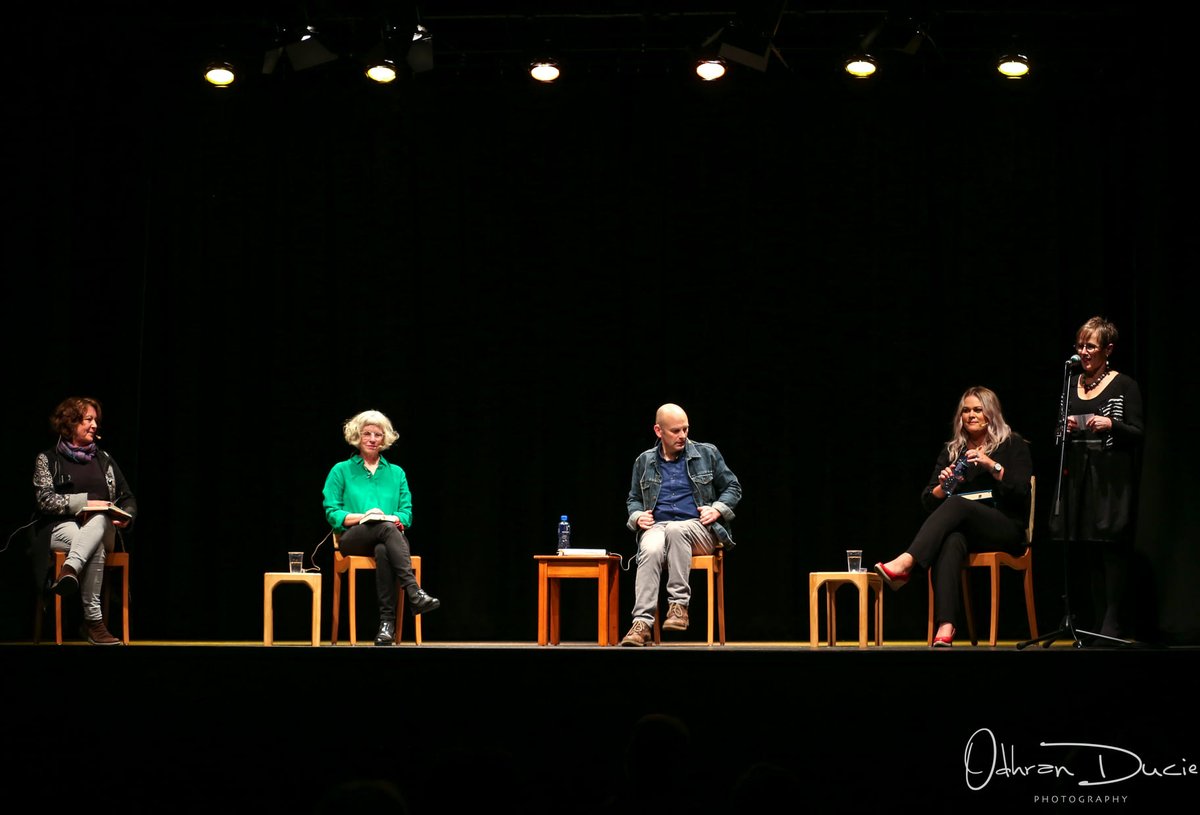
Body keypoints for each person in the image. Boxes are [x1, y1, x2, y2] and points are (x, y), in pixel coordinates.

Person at [874, 386, 1032, 647]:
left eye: (977, 410)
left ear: (990, 414)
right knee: (950, 541)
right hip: (969, 531)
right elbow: (928, 500)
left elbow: (1021, 489)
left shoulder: (1011, 444)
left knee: (958, 505)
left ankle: (907, 562)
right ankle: (946, 626)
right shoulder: (953, 451)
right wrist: (943, 487)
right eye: (966, 410)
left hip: (1005, 527)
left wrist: (990, 465)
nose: (971, 415)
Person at [1051, 315, 1144, 641]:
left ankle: (1113, 620)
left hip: (1110, 479)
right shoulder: (1070, 382)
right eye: (1080, 345)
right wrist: (1066, 429)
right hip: (1078, 475)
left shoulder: (1124, 384)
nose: (1083, 351)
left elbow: (1137, 431)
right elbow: (1057, 432)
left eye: (1090, 346)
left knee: (1110, 549)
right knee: (1088, 548)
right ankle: (1094, 622)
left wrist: (1111, 425)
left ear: (1108, 349)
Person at [620, 403, 742, 647]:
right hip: (658, 528)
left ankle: (678, 606)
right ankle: (641, 624)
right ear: (658, 431)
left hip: (699, 530)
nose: (683, 435)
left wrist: (717, 508)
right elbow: (633, 499)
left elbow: (733, 487)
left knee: (677, 530)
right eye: (675, 431)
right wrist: (636, 517)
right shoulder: (644, 461)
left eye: (685, 429)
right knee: (651, 546)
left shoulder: (706, 453)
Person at [322, 409, 439, 646]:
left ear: (384, 439)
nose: (373, 439)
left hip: (388, 539)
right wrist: (363, 517)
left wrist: (395, 519)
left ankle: (387, 626)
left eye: (378, 434)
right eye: (367, 434)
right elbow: (332, 511)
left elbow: (407, 513)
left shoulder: (396, 473)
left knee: (385, 548)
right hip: (352, 539)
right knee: (386, 529)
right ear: (358, 436)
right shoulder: (341, 470)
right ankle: (414, 591)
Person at [31, 396, 137, 645]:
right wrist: (85, 503)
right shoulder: (48, 459)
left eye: (95, 420)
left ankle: (70, 570)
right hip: (62, 528)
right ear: (70, 423)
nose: (94, 425)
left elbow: (127, 497)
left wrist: (127, 516)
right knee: (94, 544)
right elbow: (44, 500)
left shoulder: (105, 460)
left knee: (100, 520)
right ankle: (93, 624)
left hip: (105, 528)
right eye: (88, 419)